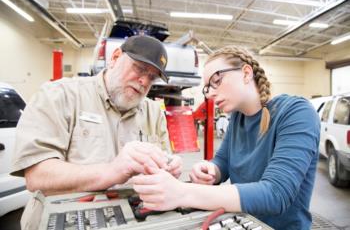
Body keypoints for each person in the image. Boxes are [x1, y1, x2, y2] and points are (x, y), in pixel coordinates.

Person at [131, 46, 320, 230]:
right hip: (242, 220)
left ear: (246, 73)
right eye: (207, 88)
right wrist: (211, 169)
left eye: (217, 80)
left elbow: (276, 193)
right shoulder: (238, 117)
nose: (211, 93)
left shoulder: (296, 112)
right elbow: (224, 161)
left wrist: (183, 192)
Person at [11, 35, 182, 230]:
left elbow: (161, 174)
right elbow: (37, 176)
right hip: (63, 219)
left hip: (132, 220)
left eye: (152, 77)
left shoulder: (153, 114)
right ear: (115, 58)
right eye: (140, 68)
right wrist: (113, 171)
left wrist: (168, 170)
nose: (144, 81)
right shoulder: (59, 96)